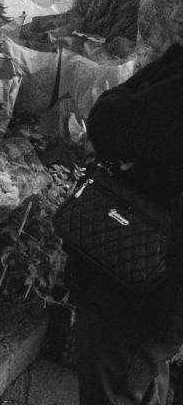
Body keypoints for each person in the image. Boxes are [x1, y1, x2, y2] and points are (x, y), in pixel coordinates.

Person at [76, 43, 183, 405]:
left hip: (142, 276)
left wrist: (121, 103)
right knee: (141, 378)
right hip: (152, 276)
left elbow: (110, 124)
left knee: (116, 385)